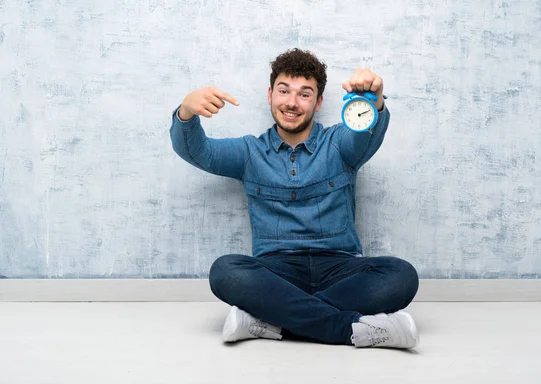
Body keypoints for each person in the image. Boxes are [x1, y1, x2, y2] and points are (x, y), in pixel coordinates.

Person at [170, 48, 420, 349]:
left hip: (340, 269)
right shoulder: (249, 153)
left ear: (319, 102)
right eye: (283, 90)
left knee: (401, 275)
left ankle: (271, 320)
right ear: (270, 95)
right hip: (277, 272)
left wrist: (375, 99)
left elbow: (369, 129)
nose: (291, 102)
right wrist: (186, 113)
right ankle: (350, 329)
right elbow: (198, 151)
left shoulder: (340, 144)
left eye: (304, 94)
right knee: (225, 271)